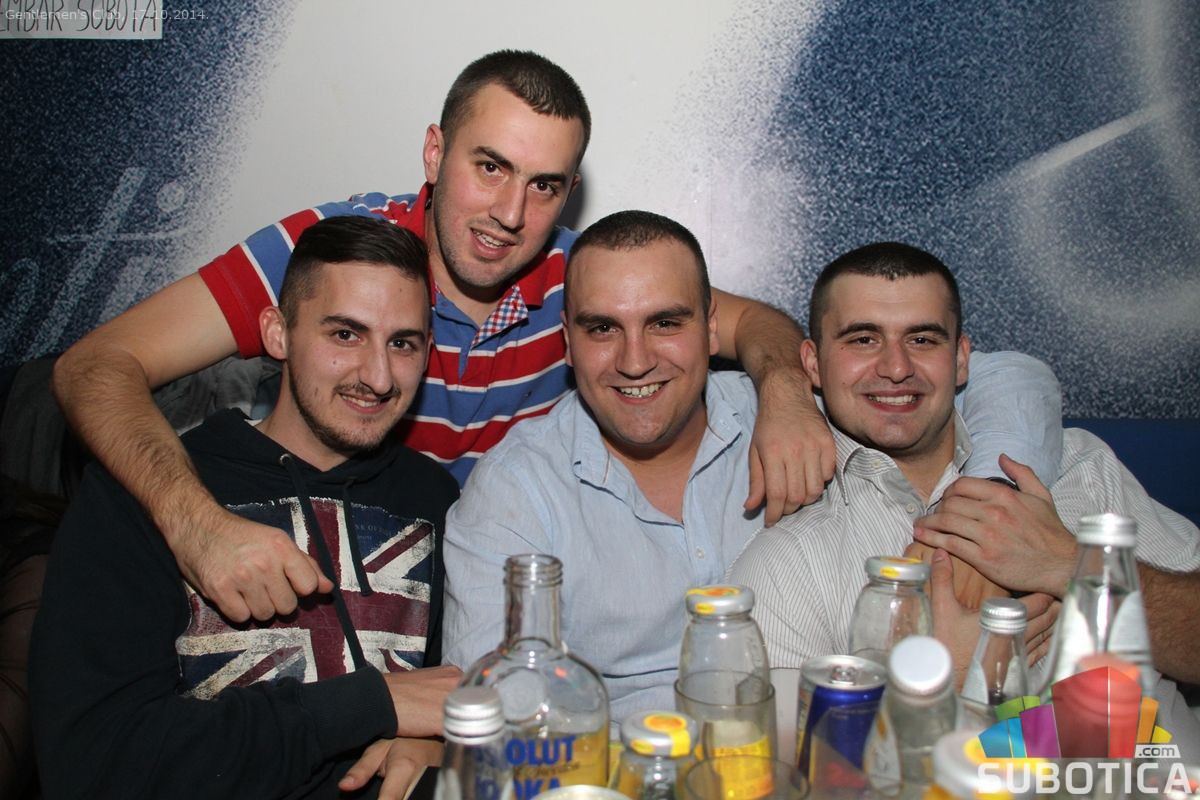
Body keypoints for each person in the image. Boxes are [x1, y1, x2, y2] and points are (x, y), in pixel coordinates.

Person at [50, 50, 1060, 628]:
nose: (508, 214)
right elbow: (94, 363)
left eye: (543, 185)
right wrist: (193, 523)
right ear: (435, 153)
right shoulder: (335, 252)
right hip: (312, 561)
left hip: (464, 581)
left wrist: (788, 392)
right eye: (488, 167)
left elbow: (751, 323)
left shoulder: (585, 287)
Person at [441, 214, 1059, 723]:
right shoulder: (515, 493)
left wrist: (985, 509)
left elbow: (1009, 376)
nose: (635, 360)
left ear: (712, 328)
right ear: (568, 343)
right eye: (603, 328)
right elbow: (493, 712)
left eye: (665, 323)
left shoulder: (791, 417)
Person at [30, 217, 462, 798]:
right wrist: (370, 705)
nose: (379, 377)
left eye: (402, 343)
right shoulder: (149, 491)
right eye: (345, 334)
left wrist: (442, 743)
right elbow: (95, 766)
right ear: (278, 334)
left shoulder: (436, 500)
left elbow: (453, 695)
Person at [728, 241, 1200, 756]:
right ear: (813, 364)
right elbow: (787, 769)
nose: (896, 367)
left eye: (922, 339)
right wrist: (937, 686)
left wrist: (1072, 564)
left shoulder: (1078, 468)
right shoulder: (790, 557)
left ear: (960, 360)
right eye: (863, 339)